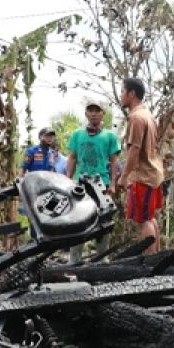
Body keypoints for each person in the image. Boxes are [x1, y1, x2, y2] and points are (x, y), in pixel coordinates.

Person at [66, 99, 122, 264]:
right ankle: (74, 259)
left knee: (103, 219)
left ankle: (101, 258)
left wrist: (112, 183)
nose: (94, 113)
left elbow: (114, 162)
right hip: (80, 184)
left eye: (97, 110)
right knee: (77, 220)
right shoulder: (77, 134)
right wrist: (68, 180)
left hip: (101, 183)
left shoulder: (110, 136)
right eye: (90, 110)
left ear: (102, 113)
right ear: (86, 114)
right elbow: (72, 157)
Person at [117, 77, 166, 253]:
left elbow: (134, 150)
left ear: (132, 94)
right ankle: (156, 258)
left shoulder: (136, 117)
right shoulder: (148, 115)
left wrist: (123, 177)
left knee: (144, 220)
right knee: (150, 218)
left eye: (123, 91)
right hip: (153, 173)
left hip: (143, 176)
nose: (121, 95)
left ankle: (150, 261)